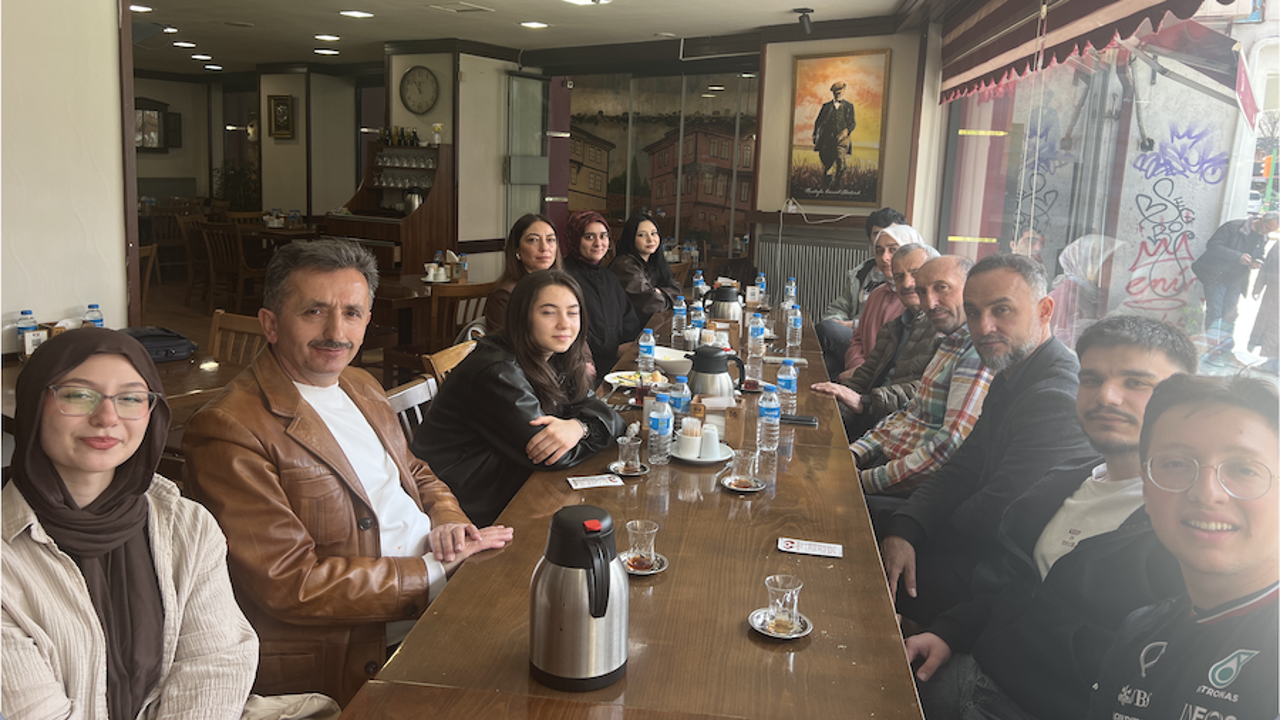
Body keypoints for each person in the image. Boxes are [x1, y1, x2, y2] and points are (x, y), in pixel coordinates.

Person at [183, 240, 512, 705]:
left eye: (352, 313)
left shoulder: (360, 384)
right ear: (270, 324)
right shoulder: (229, 429)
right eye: (314, 311)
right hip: (367, 650)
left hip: (444, 593)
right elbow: (290, 582)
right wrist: (432, 571)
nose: (336, 332)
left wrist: (449, 521)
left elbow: (414, 471)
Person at [2, 328, 339, 720]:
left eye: (130, 398)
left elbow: (215, 665)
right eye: (78, 395)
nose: (107, 417)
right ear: (34, 404)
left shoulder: (186, 526)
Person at [906, 316, 1197, 720]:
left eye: (1136, 382)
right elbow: (1011, 589)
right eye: (1091, 379)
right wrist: (948, 633)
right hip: (976, 673)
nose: (1107, 397)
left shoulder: (1184, 528)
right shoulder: (1061, 483)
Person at [878, 253, 1093, 625]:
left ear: (1044, 311)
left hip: (995, 578)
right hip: (969, 545)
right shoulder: (1012, 372)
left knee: (861, 562)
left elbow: (1000, 512)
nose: (984, 326)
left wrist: (917, 535)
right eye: (974, 312)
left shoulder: (1056, 394)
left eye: (1002, 310)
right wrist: (905, 527)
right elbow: (963, 466)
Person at [1087, 375, 1278, 720]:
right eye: (1175, 464)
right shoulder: (1140, 631)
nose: (1206, 493)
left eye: (1244, 469)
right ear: (1146, 489)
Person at [412, 270, 626, 526]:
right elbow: (551, 455)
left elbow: (608, 416)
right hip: (462, 502)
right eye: (549, 312)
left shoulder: (555, 354)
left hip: (509, 478)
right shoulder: (497, 371)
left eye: (573, 312)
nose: (565, 324)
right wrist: (586, 427)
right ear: (522, 317)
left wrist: (579, 427)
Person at [853, 255, 993, 496]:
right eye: (922, 292)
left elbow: (950, 446)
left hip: (908, 490)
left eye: (942, 288)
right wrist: (855, 453)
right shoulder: (950, 341)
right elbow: (908, 412)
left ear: (971, 290)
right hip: (885, 464)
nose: (930, 303)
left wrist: (863, 481)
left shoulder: (976, 351)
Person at [812, 243, 942, 440]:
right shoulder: (893, 328)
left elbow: (928, 391)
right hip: (870, 423)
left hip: (900, 430)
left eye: (915, 274)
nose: (907, 284)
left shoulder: (943, 330)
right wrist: (830, 422)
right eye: (899, 277)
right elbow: (863, 377)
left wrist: (865, 403)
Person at [817, 207, 905, 379]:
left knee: (823, 355)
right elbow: (840, 307)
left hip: (878, 352)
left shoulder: (910, 290)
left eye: (893, 247)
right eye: (878, 235)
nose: (885, 257)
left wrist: (853, 325)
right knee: (822, 358)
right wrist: (837, 322)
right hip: (857, 344)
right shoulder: (862, 274)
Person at [562, 209, 642, 377]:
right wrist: (613, 350)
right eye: (589, 237)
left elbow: (629, 319)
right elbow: (570, 331)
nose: (598, 243)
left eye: (603, 236)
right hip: (582, 369)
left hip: (619, 366)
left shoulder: (609, 277)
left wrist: (631, 346)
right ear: (575, 239)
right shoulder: (563, 278)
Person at [841, 224, 926, 378]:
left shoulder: (916, 300)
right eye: (879, 251)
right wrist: (858, 368)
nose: (884, 257)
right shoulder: (876, 294)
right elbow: (857, 339)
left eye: (893, 250)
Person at [1192, 212, 1278, 360]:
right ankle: (1212, 349)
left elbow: (1260, 254)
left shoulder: (1263, 237)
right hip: (1217, 276)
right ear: (1261, 219)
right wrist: (1238, 256)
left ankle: (1225, 350)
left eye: (1271, 230)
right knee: (1215, 312)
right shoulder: (1233, 227)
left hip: (1237, 280)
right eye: (1266, 227)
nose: (1267, 232)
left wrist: (1257, 261)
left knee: (1231, 315)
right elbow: (1213, 246)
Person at [486, 213, 561, 334]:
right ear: (517, 249)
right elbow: (502, 344)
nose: (544, 247)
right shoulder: (505, 295)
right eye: (533, 240)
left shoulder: (563, 289)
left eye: (550, 240)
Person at [1047, 234, 1123, 349]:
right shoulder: (1064, 297)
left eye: (1119, 262)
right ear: (1086, 265)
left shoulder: (1094, 296)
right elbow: (1062, 348)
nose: (1119, 270)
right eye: (1111, 262)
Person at [609, 212, 680, 327]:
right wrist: (667, 297)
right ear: (631, 238)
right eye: (642, 235)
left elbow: (676, 289)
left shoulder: (653, 262)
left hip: (652, 326)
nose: (650, 239)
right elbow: (652, 303)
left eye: (653, 233)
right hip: (631, 330)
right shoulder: (625, 265)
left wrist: (659, 293)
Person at [812, 80, 856, 190]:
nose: (839, 93)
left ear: (844, 91)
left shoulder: (849, 106)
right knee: (828, 163)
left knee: (841, 163)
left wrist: (847, 130)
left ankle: (836, 185)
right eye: (837, 91)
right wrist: (815, 135)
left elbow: (852, 123)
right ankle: (827, 185)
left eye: (841, 91)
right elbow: (818, 122)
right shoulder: (826, 106)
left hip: (842, 139)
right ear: (833, 92)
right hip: (827, 140)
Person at [1247, 240, 1277, 373]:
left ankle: (1273, 365)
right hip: (1272, 294)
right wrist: (1257, 288)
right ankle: (1272, 364)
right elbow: (1266, 267)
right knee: (1270, 328)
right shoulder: (1278, 246)